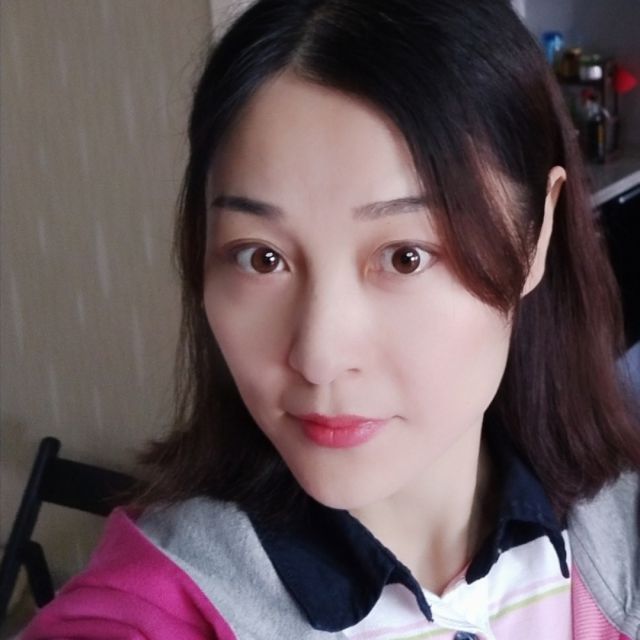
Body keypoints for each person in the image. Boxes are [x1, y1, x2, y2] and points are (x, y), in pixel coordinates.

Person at [23, 0, 640, 638]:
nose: (318, 357)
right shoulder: (155, 613)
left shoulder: (621, 539)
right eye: (261, 257)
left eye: (405, 256)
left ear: (536, 237)